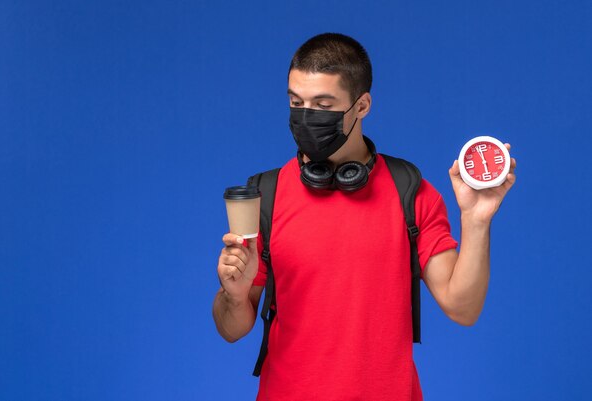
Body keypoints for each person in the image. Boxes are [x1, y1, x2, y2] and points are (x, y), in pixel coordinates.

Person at [212, 33, 516, 401]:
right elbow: (232, 329)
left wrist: (476, 218)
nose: (307, 116)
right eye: (296, 102)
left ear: (362, 105)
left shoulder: (410, 191)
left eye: (323, 104)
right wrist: (235, 294)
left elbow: (463, 308)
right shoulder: (265, 197)